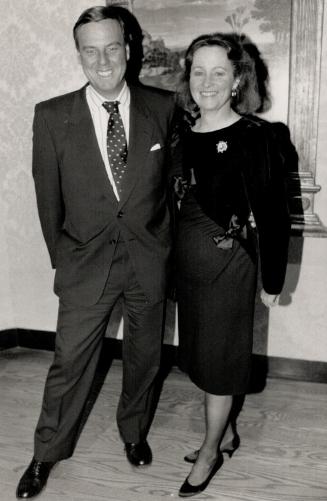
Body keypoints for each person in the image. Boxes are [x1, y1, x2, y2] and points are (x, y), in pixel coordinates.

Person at [16, 5, 176, 499]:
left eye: (111, 48)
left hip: (147, 263)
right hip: (87, 266)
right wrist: (64, 260)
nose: (102, 60)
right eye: (91, 50)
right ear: (79, 55)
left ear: (127, 50)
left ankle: (133, 433)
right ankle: (46, 452)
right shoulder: (52, 115)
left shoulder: (163, 108)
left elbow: (173, 191)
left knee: (145, 357)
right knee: (69, 364)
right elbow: (49, 200)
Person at [172, 32, 291, 497]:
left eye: (219, 72)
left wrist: (273, 278)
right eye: (198, 71)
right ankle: (227, 432)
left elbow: (274, 214)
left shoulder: (257, 137)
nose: (207, 81)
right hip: (189, 272)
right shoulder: (181, 133)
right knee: (202, 358)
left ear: (238, 79)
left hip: (229, 267)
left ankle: (209, 452)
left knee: (220, 362)